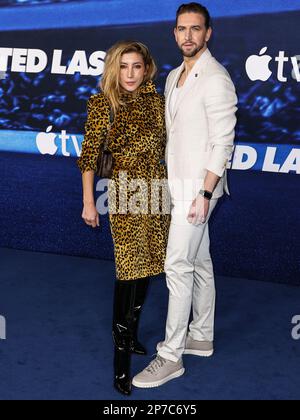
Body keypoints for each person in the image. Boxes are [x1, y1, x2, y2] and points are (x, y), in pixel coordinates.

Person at [132, 3, 238, 388]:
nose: (188, 35)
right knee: (201, 260)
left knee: (177, 265)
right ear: (175, 33)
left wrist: (205, 193)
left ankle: (171, 356)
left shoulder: (216, 78)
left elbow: (222, 142)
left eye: (196, 29)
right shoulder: (175, 74)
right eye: (182, 29)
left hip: (198, 189)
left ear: (208, 33)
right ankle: (202, 335)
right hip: (175, 184)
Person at [77, 41, 170, 396]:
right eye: (124, 66)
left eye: (137, 66)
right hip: (125, 191)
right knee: (129, 268)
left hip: (157, 190)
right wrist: (89, 201)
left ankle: (131, 334)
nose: (130, 74)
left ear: (146, 69)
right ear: (114, 69)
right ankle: (120, 363)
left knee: (149, 265)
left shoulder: (157, 102)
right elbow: (88, 157)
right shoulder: (103, 104)